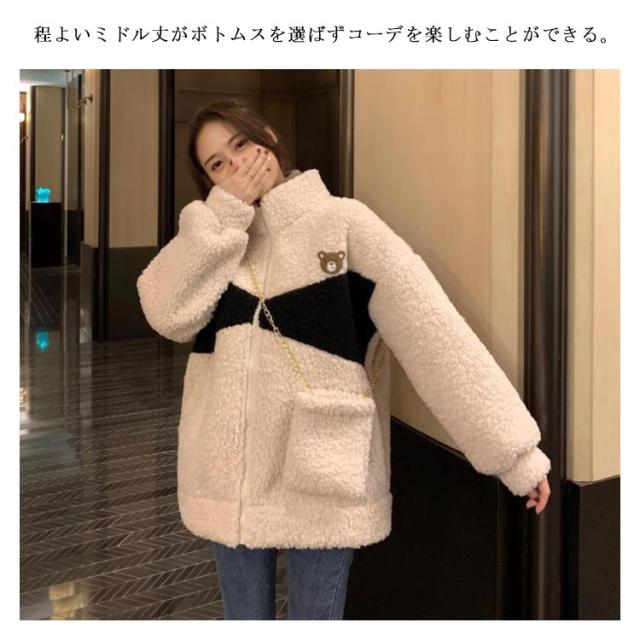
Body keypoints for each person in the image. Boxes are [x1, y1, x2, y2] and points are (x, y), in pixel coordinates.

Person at [136, 98, 551, 620]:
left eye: (241, 144)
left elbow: (435, 337)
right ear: (209, 182)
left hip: (323, 473)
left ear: (269, 137)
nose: (237, 165)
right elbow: (165, 313)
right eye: (218, 164)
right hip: (228, 482)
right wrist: (223, 218)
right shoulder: (212, 244)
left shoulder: (346, 223)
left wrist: (515, 456)